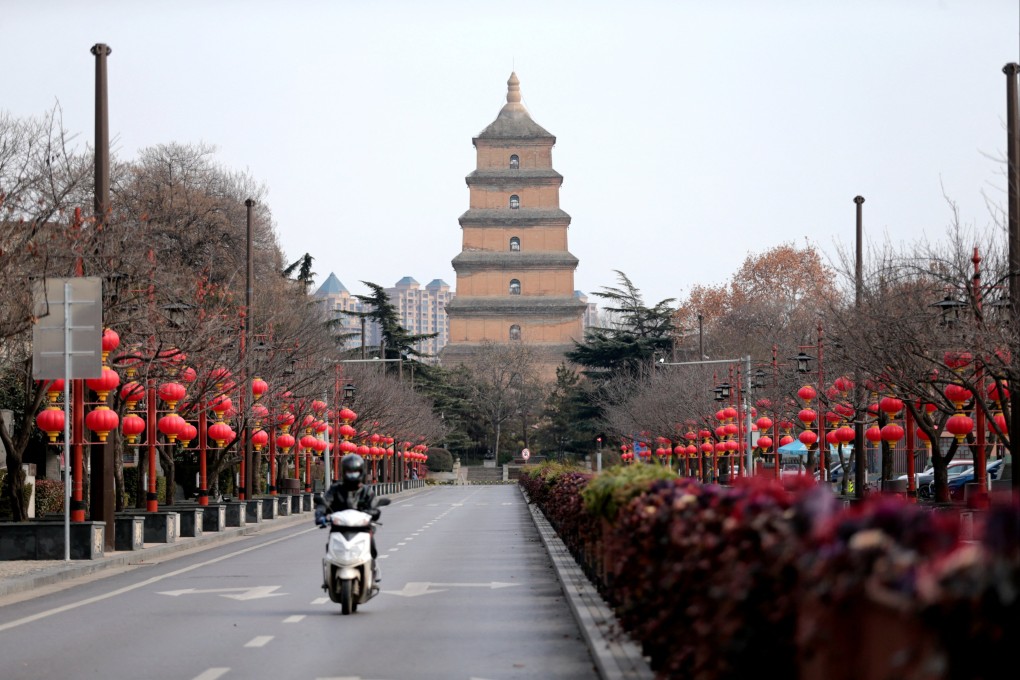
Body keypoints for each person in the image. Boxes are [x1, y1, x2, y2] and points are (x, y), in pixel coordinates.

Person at [314, 454, 382, 584]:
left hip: (361, 527)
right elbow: (324, 504)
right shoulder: (335, 489)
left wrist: (373, 512)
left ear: (361, 472)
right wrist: (320, 515)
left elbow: (374, 507)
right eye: (349, 472)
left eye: (355, 472)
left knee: (371, 542)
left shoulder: (367, 491)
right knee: (330, 545)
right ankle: (330, 569)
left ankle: (373, 564)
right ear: (344, 472)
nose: (352, 475)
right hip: (339, 527)